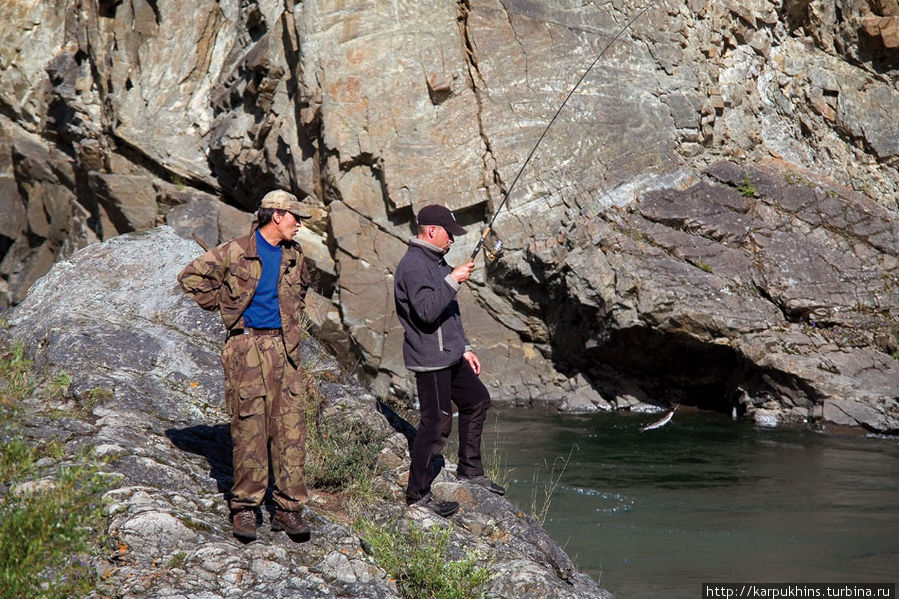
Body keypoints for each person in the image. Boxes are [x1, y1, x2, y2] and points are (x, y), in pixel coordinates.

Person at [178, 189, 312, 542]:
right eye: (295, 218)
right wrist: (226, 305)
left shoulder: (295, 256)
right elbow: (190, 278)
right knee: (250, 427)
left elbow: (302, 292)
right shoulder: (236, 250)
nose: (299, 225)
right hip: (247, 346)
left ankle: (288, 509)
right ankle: (245, 510)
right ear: (277, 216)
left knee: (291, 429)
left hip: (286, 349)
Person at [393, 204, 505, 518]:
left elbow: (448, 312)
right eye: (449, 234)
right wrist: (453, 279)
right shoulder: (413, 265)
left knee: (477, 399)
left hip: (451, 354)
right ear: (432, 230)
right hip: (430, 359)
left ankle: (471, 472)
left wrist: (465, 346)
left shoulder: (435, 260)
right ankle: (418, 494)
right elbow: (427, 311)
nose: (453, 241)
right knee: (436, 423)